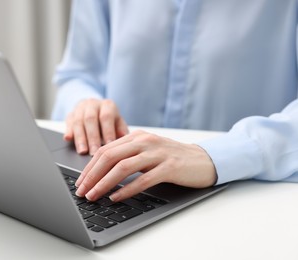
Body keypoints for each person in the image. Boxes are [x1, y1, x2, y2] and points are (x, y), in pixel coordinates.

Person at [51, 1, 298, 202]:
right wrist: (84, 105)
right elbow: (77, 75)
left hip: (244, 198)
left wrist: (214, 156)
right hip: (118, 190)